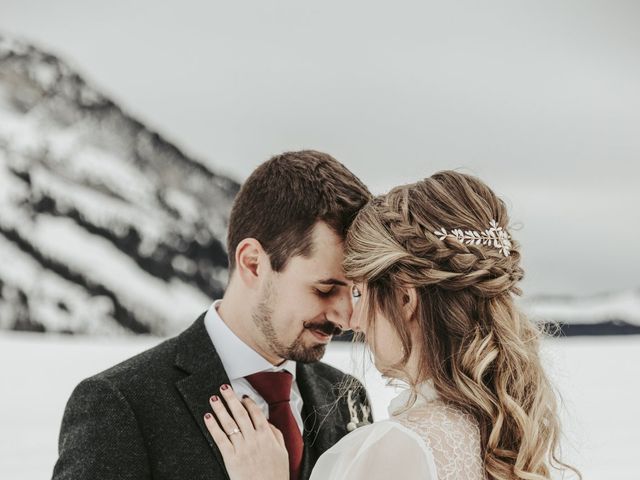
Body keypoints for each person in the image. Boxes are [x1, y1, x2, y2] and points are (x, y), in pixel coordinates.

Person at [203, 170, 581, 480]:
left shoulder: (394, 450)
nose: (353, 319)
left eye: (360, 293)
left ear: (404, 298)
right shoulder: (498, 436)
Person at [52, 150, 373, 480]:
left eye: (356, 291)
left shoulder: (347, 395)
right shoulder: (121, 405)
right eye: (324, 289)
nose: (348, 318)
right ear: (253, 263)